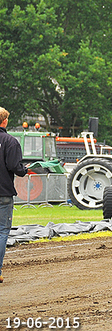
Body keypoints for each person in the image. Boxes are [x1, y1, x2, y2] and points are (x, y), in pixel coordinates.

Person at [0, 107, 29, 283]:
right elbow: (16, 168)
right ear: (5, 121)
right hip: (3, 193)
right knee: (2, 232)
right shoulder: (10, 142)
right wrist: (25, 169)